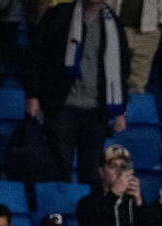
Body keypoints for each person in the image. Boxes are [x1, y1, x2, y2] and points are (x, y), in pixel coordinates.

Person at [24, 0, 129, 184]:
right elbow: (36, 56)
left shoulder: (113, 23)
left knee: (91, 176)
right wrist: (33, 94)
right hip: (62, 106)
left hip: (97, 111)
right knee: (58, 172)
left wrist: (120, 109)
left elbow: (122, 68)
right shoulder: (59, 15)